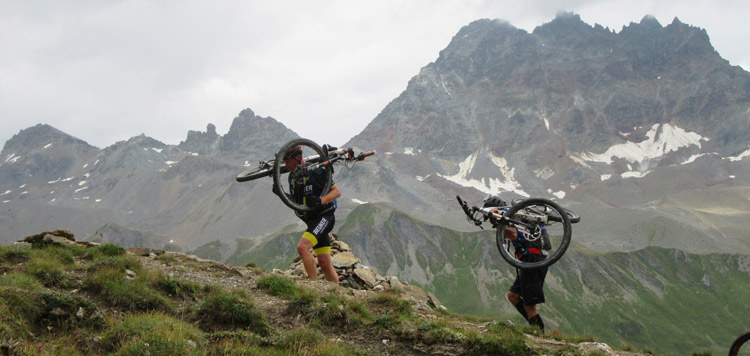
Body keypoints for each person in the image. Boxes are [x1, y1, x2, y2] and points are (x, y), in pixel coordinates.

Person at [273, 144, 341, 284]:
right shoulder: (292, 177)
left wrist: (320, 200)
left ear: (298, 157)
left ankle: (313, 288)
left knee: (302, 247)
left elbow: (336, 193)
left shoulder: (316, 171)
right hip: (312, 221)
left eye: (287, 161)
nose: (286, 165)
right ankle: (337, 296)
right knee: (324, 262)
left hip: (324, 216)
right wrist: (281, 194)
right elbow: (296, 203)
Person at [484, 195, 548, 332]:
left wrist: (498, 226)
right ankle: (534, 327)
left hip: (533, 259)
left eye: (491, 219)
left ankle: (540, 334)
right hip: (530, 259)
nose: (490, 222)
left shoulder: (510, 221)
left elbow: (513, 234)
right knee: (512, 296)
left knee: (529, 305)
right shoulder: (516, 218)